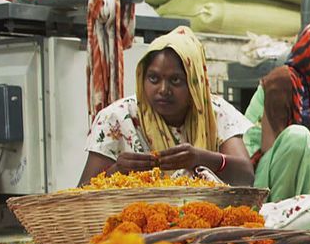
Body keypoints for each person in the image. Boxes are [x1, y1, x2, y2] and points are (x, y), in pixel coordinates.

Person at [79, 26, 254, 186]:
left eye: (175, 80)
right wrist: (117, 171)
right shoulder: (117, 118)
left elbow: (246, 177)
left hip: (205, 217)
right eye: (153, 79)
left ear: (194, 83)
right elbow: (82, 195)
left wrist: (201, 158)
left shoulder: (215, 113)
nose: (163, 90)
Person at [244, 20, 310, 202]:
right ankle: (279, 218)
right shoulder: (281, 81)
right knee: (298, 137)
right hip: (261, 172)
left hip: (307, 169)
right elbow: (277, 148)